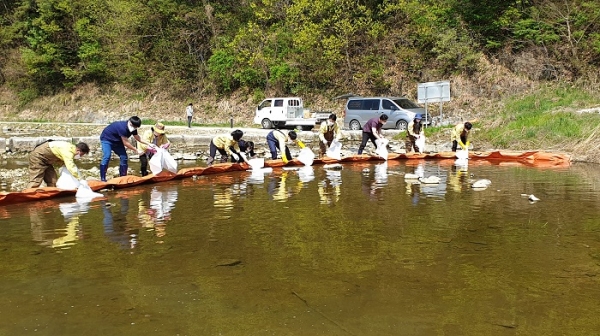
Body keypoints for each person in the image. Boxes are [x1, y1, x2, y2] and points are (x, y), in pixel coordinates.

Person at [99, 116, 155, 182]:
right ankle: (103, 178)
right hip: (107, 140)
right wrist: (136, 150)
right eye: (134, 126)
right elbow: (126, 143)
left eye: (136, 127)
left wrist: (149, 144)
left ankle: (123, 177)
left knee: (124, 157)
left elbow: (138, 138)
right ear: (130, 122)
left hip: (118, 141)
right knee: (107, 156)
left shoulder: (133, 128)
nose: (135, 128)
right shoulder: (122, 127)